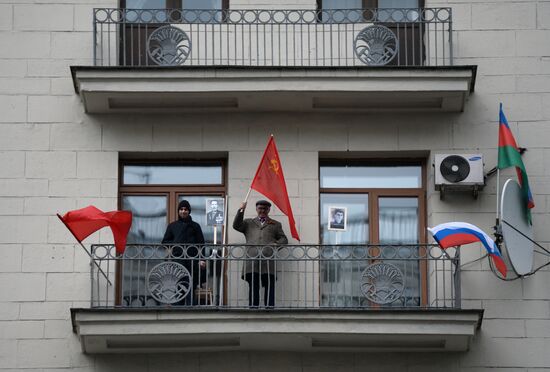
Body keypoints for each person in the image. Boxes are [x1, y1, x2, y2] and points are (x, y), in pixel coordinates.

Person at [233, 199, 288, 307]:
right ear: (256, 209)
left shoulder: (276, 224)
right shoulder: (248, 223)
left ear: (269, 210)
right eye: (260, 208)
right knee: (253, 285)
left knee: (269, 285)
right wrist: (241, 210)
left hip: (268, 260)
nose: (262, 211)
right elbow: (236, 225)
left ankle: (269, 308)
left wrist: (276, 244)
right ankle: (253, 308)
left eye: (265, 209)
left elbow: (284, 239)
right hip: (252, 260)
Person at [162, 200, 206, 305]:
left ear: (189, 211)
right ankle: (178, 309)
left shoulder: (195, 226)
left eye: (185, 209)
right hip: (178, 261)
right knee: (178, 284)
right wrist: (176, 243)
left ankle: (191, 309)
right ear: (178, 211)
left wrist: (202, 259)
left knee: (191, 284)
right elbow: (165, 242)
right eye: (181, 209)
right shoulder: (172, 226)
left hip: (192, 261)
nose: (183, 211)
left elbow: (201, 244)